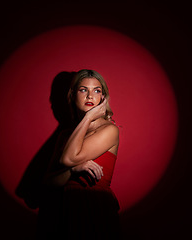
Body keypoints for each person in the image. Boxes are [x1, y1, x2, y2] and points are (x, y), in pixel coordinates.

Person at [38, 69, 120, 239]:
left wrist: (88, 118)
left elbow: (68, 158)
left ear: (103, 97)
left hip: (94, 208)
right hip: (63, 209)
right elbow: (48, 182)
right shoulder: (66, 135)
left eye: (96, 90)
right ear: (73, 95)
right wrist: (73, 171)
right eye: (83, 90)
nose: (90, 96)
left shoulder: (109, 130)